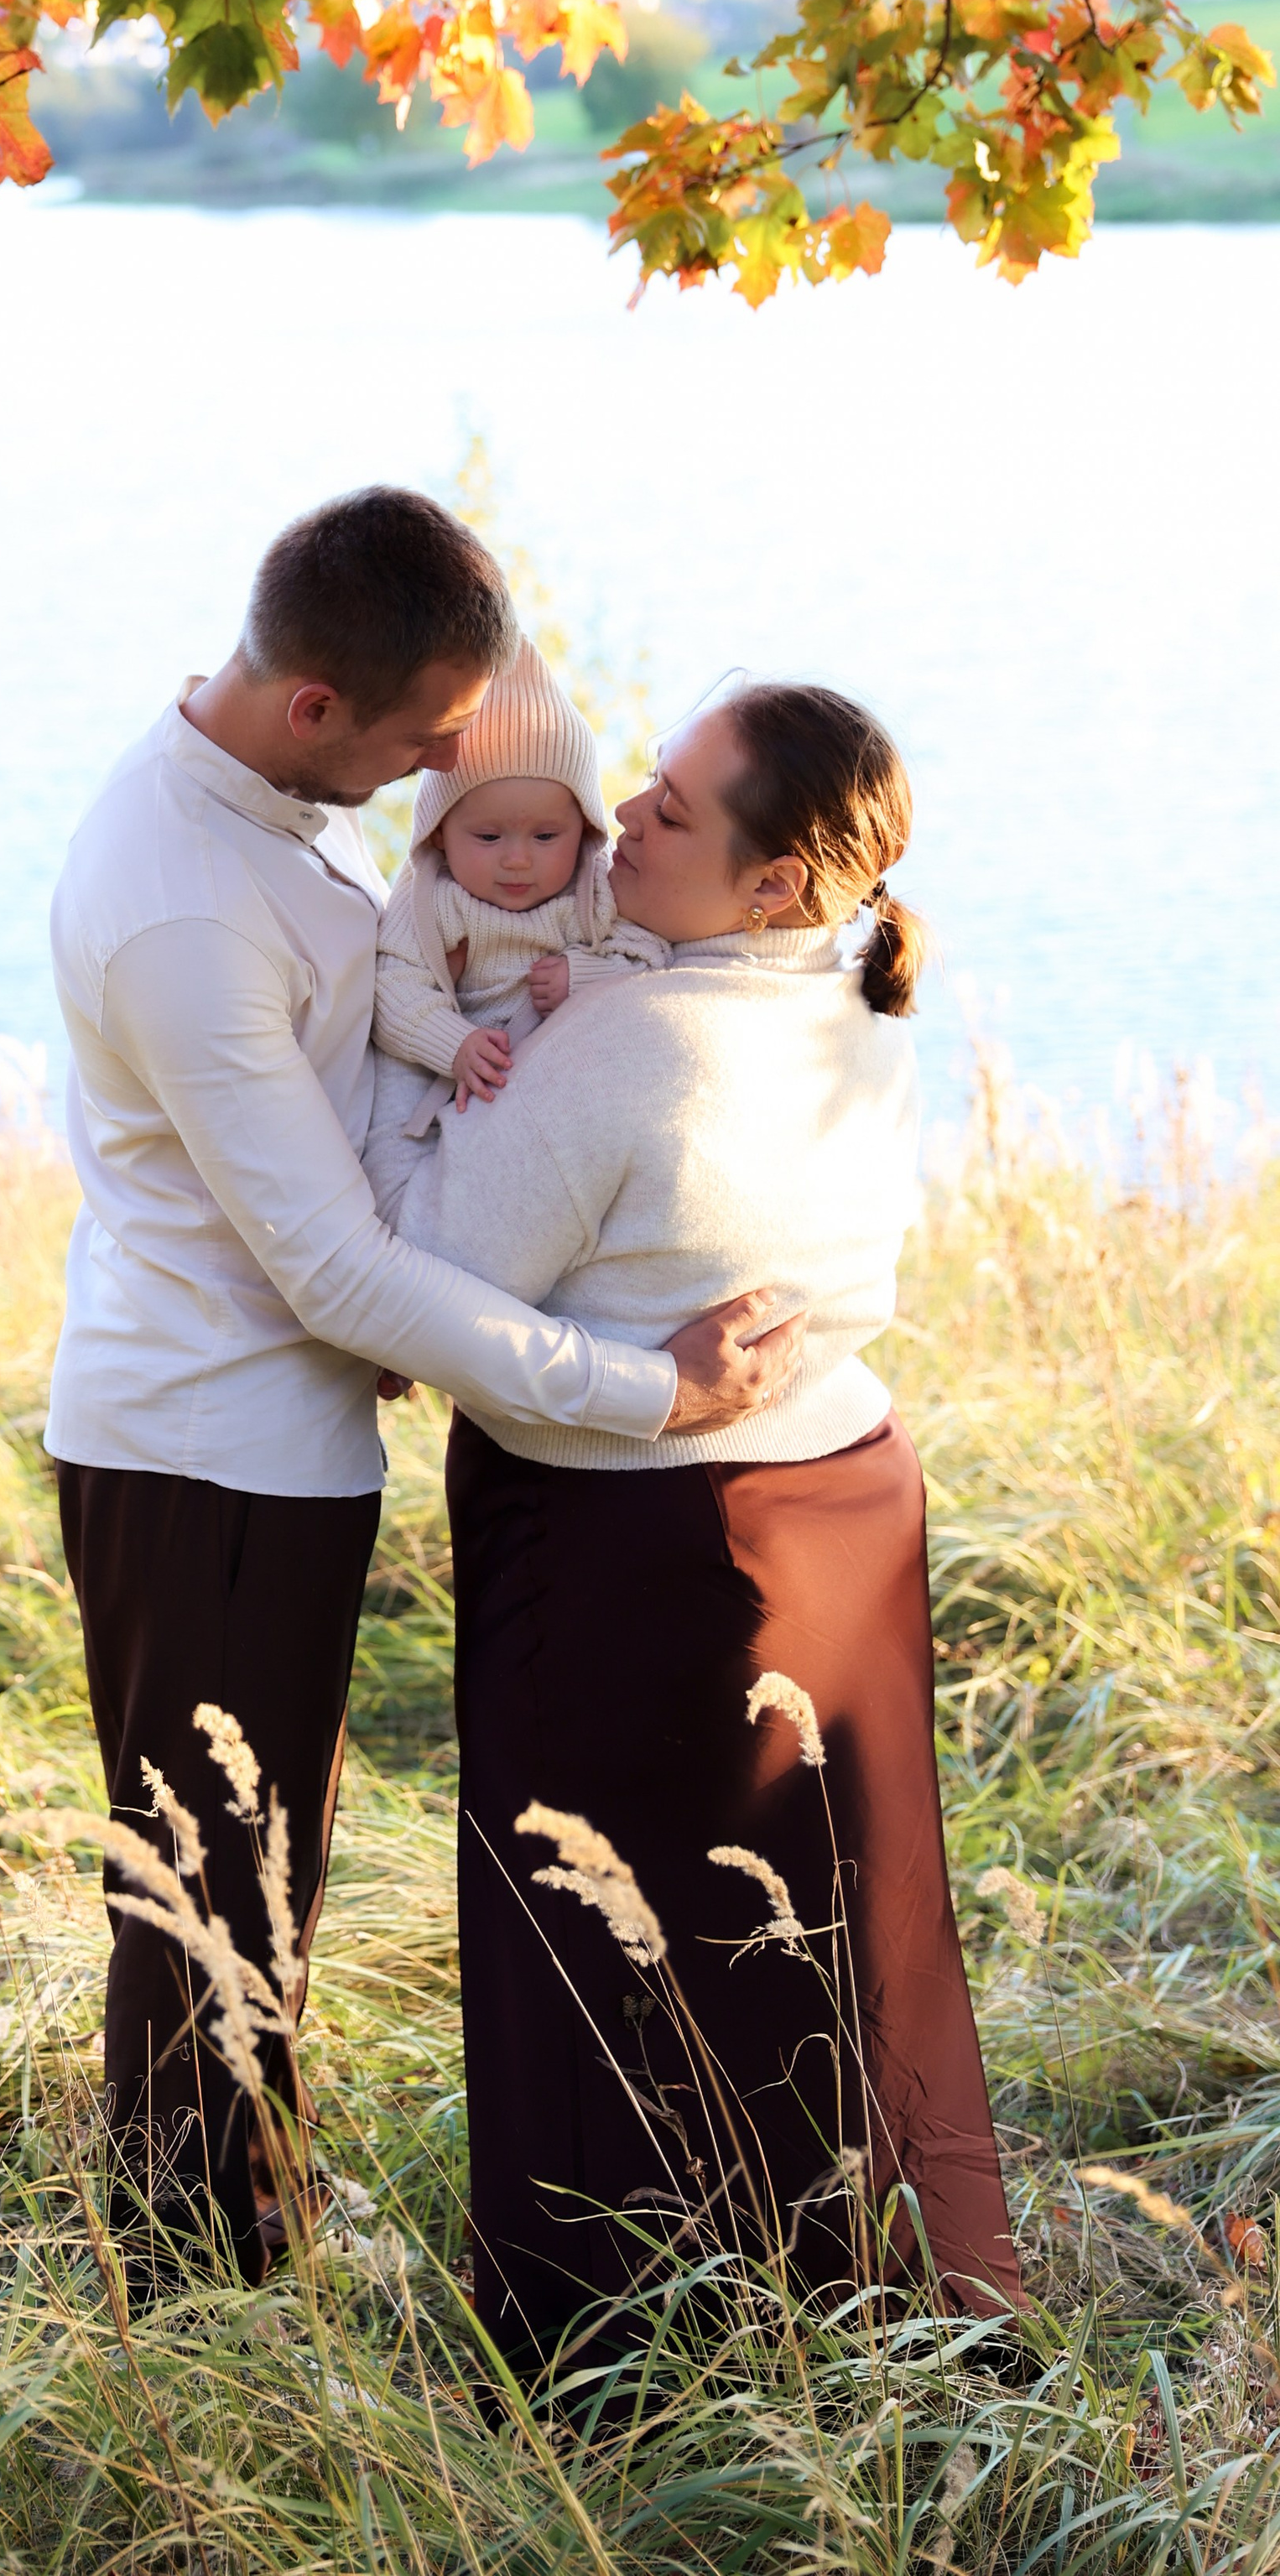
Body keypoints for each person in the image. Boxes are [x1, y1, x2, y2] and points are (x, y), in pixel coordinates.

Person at [45, 489, 804, 2286]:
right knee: (206, 1891)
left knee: (256, 1869)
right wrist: (640, 1392)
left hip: (263, 1437)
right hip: (209, 1451)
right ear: (318, 710)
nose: (428, 780)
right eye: (411, 746)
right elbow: (328, 1269)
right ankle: (197, 2286)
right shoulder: (181, 910)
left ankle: (248, 2217)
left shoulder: (270, 809)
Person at [368, 681, 1021, 2374]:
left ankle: (625, 2356)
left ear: (775, 884)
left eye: (670, 810)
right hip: (844, 1502)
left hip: (634, 1547)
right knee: (833, 1938)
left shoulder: (622, 1046)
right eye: (642, 787)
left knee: (611, 1952)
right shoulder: (853, 994)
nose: (621, 824)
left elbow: (422, 1278)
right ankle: (888, 2302)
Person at [372, 636, 669, 1127]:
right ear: (440, 833)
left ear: (586, 832)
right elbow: (392, 990)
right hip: (464, 1094)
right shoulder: (435, 898)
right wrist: (454, 1043)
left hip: (566, 1095)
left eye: (547, 835)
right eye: (488, 836)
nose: (516, 860)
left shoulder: (593, 889)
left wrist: (585, 977)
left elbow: (652, 957)